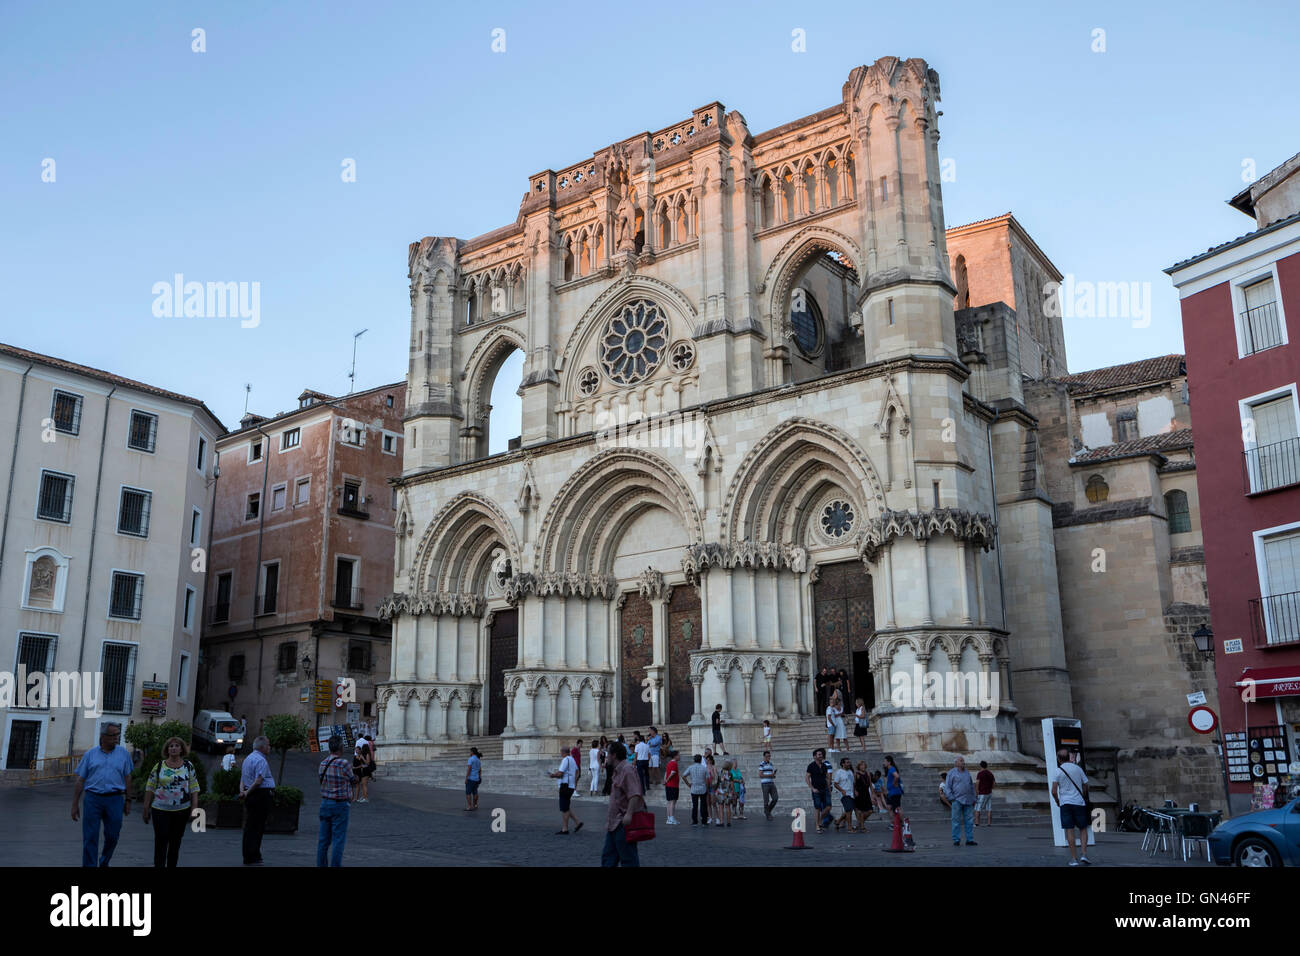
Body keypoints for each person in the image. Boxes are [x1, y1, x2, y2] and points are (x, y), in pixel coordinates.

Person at [72, 723, 134, 868]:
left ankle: (104, 862)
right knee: (90, 836)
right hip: (93, 799)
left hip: (115, 799)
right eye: (113, 735)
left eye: (118, 735)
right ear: (103, 737)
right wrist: (75, 804)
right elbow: (80, 780)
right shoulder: (90, 755)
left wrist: (128, 800)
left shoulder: (123, 753)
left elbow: (128, 777)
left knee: (113, 835)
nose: (116, 738)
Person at [142, 736, 200, 868]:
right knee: (161, 840)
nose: (173, 748)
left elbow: (194, 788)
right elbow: (150, 787)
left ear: (181, 749)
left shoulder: (188, 766)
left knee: (175, 842)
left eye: (177, 746)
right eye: (171, 746)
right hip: (160, 810)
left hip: (181, 810)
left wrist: (194, 809)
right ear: (167, 749)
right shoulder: (159, 766)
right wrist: (146, 808)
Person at [602, 740, 646, 867]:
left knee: (628, 859)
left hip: (623, 823)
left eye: (608, 753)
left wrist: (629, 814)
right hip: (613, 823)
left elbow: (635, 793)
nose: (606, 756)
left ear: (614, 755)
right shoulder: (617, 770)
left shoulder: (627, 769)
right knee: (608, 859)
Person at [317, 735, 356, 867]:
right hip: (340, 804)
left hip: (325, 802)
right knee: (338, 840)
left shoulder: (322, 763)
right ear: (340, 747)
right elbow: (353, 780)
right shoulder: (343, 763)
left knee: (323, 841)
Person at [239, 735, 275, 865]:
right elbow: (259, 780)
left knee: (250, 826)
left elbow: (243, 778)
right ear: (262, 746)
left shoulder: (247, 759)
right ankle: (253, 856)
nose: (270, 748)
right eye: (268, 745)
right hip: (260, 795)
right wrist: (247, 792)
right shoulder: (261, 761)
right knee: (257, 827)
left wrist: (242, 791)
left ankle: (250, 855)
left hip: (251, 794)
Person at [1052, 750, 1090, 865]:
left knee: (1070, 830)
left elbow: (1054, 791)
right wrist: (1082, 795)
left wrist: (1058, 801)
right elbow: (1086, 784)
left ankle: (1074, 858)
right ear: (1069, 757)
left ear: (1059, 759)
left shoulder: (1057, 771)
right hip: (1079, 802)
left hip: (1065, 803)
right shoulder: (1078, 769)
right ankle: (1084, 854)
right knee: (1083, 828)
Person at [549, 744, 583, 835]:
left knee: (564, 808)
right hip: (570, 786)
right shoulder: (572, 759)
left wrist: (552, 775)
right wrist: (574, 781)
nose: (560, 753)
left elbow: (560, 773)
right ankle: (577, 822)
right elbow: (577, 771)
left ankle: (565, 828)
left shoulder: (565, 760)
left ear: (563, 752)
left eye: (561, 752)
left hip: (565, 785)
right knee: (566, 806)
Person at [945, 755, 977, 846]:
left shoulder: (967, 772)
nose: (963, 762)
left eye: (963, 760)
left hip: (968, 800)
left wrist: (974, 797)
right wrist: (951, 798)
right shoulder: (951, 773)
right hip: (957, 800)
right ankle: (956, 839)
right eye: (961, 760)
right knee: (956, 820)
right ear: (956, 763)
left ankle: (969, 839)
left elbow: (971, 785)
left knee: (969, 820)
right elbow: (947, 787)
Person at [805, 748, 833, 833]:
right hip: (816, 790)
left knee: (828, 806)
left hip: (825, 789)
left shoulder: (824, 766)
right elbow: (807, 777)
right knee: (817, 807)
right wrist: (812, 788)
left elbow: (827, 778)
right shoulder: (811, 766)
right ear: (815, 756)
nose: (821, 756)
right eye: (819, 754)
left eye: (821, 754)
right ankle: (818, 826)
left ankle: (820, 820)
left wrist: (829, 789)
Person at [683, 753, 710, 825]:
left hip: (694, 788)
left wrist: (688, 784)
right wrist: (707, 788)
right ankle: (704, 820)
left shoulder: (691, 767)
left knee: (695, 805)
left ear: (694, 760)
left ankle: (694, 820)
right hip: (702, 788)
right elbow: (707, 779)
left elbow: (683, 776)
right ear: (701, 760)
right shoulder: (704, 768)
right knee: (703, 805)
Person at [832, 757, 857, 832]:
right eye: (847, 762)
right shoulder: (839, 772)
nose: (849, 764)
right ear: (843, 764)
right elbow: (835, 784)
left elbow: (853, 783)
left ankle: (838, 822)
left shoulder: (850, 772)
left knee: (848, 810)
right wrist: (842, 790)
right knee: (849, 810)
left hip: (852, 794)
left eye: (849, 762)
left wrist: (854, 791)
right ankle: (850, 827)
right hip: (844, 794)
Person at [758, 751, 779, 819]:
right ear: (764, 757)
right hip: (765, 784)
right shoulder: (762, 764)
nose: (768, 757)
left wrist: (773, 776)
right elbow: (760, 775)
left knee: (775, 798)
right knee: (766, 800)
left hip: (771, 783)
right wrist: (770, 775)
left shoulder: (771, 764)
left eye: (769, 756)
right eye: (767, 756)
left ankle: (767, 811)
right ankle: (768, 814)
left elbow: (770, 774)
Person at [853, 761, 873, 832]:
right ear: (859, 766)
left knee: (870, 811)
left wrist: (873, 794)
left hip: (866, 793)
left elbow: (870, 784)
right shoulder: (856, 773)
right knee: (861, 811)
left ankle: (860, 823)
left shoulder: (867, 773)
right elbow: (854, 784)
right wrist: (854, 791)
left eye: (864, 765)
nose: (863, 767)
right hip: (859, 793)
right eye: (861, 765)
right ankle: (862, 827)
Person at [976, 760, 995, 826]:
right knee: (989, 808)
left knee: (978, 808)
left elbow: (977, 783)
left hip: (982, 793)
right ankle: (989, 823)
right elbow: (993, 783)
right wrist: (991, 788)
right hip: (989, 793)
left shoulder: (980, 773)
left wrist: (977, 791)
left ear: (980, 766)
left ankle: (977, 823)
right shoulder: (990, 773)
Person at [352, 736, 371, 803]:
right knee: (363, 784)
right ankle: (364, 796)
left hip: (366, 770)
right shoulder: (363, 754)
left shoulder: (367, 755)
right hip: (363, 770)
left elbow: (367, 763)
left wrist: (362, 758)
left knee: (364, 784)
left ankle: (366, 798)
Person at [663, 749, 680, 824]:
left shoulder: (669, 763)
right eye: (679, 755)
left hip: (669, 785)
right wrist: (666, 780)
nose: (680, 756)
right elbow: (672, 773)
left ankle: (669, 818)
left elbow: (666, 772)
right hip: (673, 785)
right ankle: (672, 818)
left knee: (669, 802)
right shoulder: (674, 763)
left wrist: (665, 780)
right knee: (673, 802)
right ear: (675, 756)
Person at [716, 760, 734, 826]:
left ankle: (721, 822)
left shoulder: (720, 773)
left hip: (720, 792)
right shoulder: (730, 774)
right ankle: (729, 822)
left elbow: (717, 783)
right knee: (728, 807)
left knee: (720, 807)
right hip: (728, 793)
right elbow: (732, 785)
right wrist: (733, 792)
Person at [465, 746, 482, 811]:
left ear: (472, 752)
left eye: (470, 751)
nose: (470, 753)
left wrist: (466, 778)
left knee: (468, 793)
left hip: (471, 778)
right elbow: (480, 770)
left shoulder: (471, 759)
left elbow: (469, 769)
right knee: (475, 792)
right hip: (476, 778)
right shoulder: (478, 760)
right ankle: (475, 804)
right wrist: (480, 777)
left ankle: (469, 806)